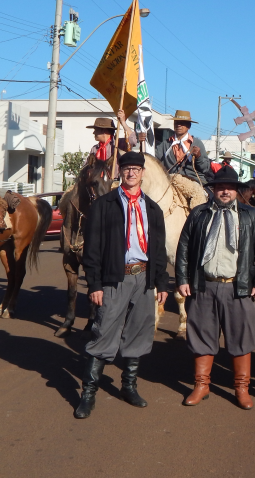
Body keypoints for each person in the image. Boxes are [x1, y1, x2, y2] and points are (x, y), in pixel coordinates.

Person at [74, 151, 170, 419]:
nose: (131, 173)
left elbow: (159, 250)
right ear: (120, 172)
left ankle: (129, 387)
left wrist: (162, 282)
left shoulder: (153, 209)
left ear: (142, 173)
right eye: (126, 169)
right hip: (115, 278)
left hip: (144, 278)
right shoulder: (103, 205)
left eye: (136, 169)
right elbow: (92, 249)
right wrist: (94, 284)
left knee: (138, 333)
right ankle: (88, 394)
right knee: (103, 333)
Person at [175, 165, 255, 409]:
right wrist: (182, 278)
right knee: (202, 337)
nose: (225, 191)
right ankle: (201, 385)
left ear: (237, 190)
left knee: (241, 338)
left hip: (238, 287)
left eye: (230, 187)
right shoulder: (199, 214)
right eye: (220, 187)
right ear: (213, 190)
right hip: (204, 285)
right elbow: (184, 247)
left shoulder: (250, 215)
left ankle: (242, 388)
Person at [154, 110, 212, 183]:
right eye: (176, 123)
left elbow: (205, 169)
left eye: (182, 123)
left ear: (189, 126)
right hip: (170, 181)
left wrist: (198, 157)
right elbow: (153, 158)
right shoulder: (166, 144)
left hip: (193, 181)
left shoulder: (197, 143)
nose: (178, 125)